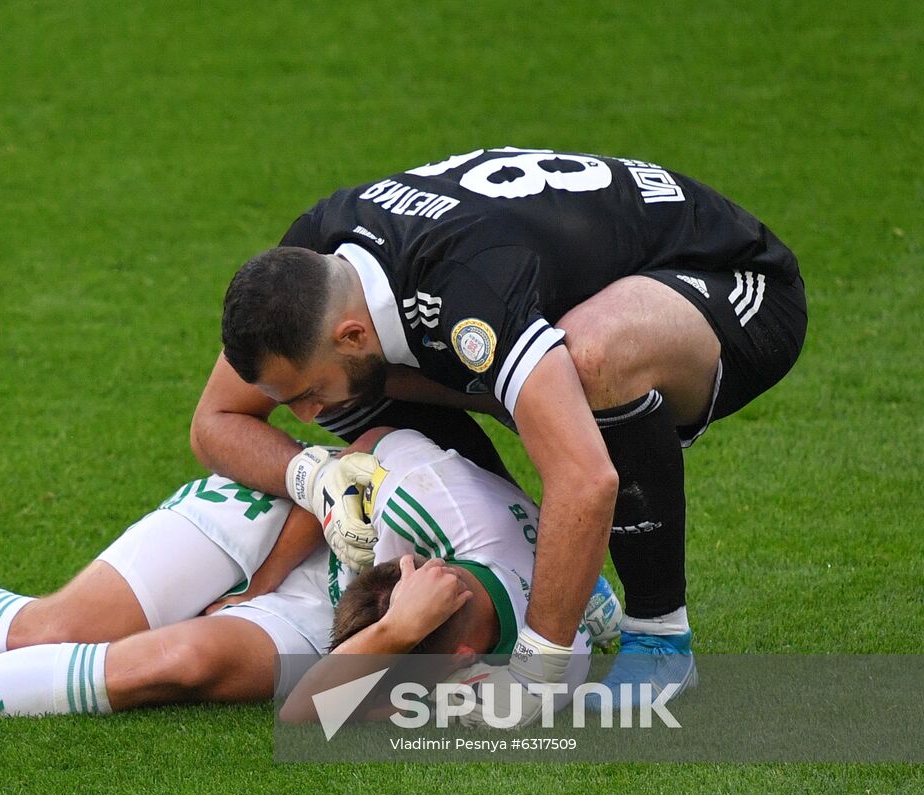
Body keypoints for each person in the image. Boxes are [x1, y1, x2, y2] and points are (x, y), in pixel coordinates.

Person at [198, 146, 807, 724]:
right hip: (538, 282)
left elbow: (587, 478)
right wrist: (320, 480)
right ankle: (552, 561)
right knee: (360, 387)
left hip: (731, 281)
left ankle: (660, 637)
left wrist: (535, 674)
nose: (302, 416)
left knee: (590, 359)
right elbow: (214, 423)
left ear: (352, 331)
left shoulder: (465, 291)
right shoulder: (310, 266)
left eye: (301, 393)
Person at [0, 429, 619, 728]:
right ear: (433, 581)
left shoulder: (526, 671)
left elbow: (307, 718)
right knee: (58, 627)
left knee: (179, 662)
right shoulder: (433, 495)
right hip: (290, 524)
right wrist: (263, 579)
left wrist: (379, 639)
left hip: (351, 602)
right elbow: (338, 460)